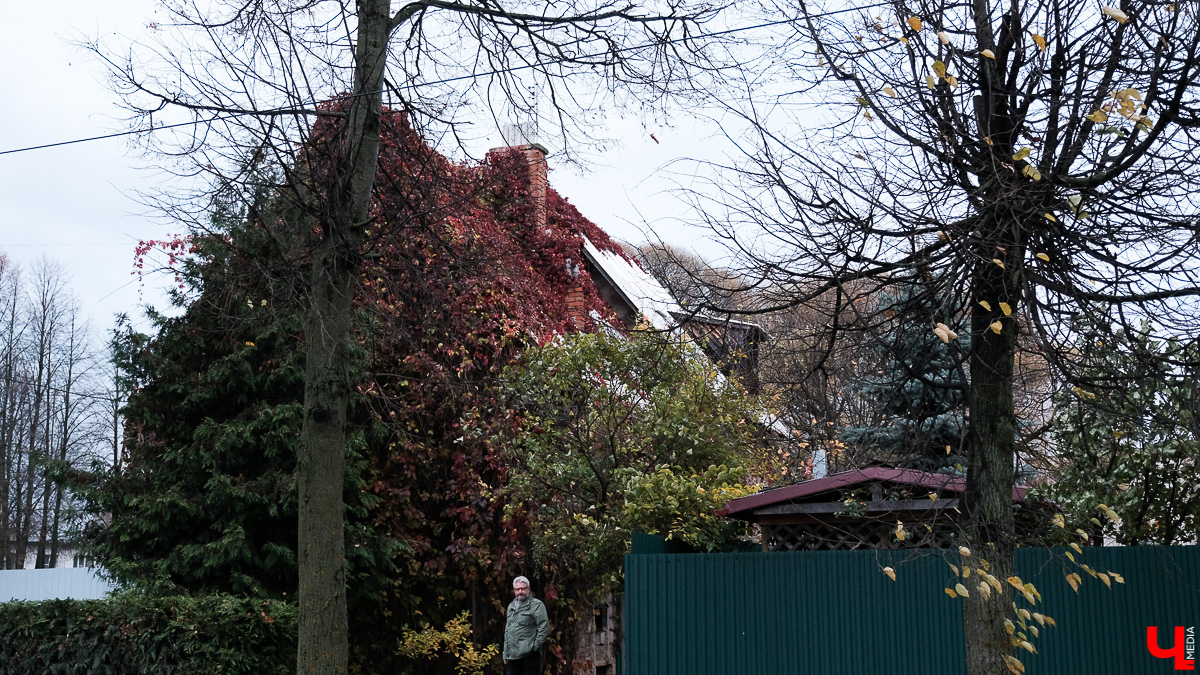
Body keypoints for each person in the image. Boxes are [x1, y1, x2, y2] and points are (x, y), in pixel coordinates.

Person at [502, 575, 549, 675]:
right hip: (513, 656)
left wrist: (535, 647)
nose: (520, 592)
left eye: (523, 588)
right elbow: (508, 630)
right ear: (514, 590)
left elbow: (543, 628)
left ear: (528, 589)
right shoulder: (511, 606)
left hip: (529, 656)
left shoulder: (537, 605)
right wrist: (505, 652)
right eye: (517, 589)